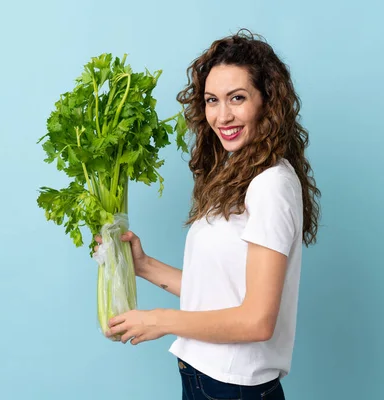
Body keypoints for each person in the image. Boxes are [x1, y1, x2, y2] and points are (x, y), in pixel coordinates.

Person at [94, 29, 321, 400]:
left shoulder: (271, 184)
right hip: (205, 381)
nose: (222, 115)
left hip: (233, 389)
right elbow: (222, 293)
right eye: (212, 100)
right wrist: (144, 265)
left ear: (268, 102)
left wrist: (159, 320)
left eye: (237, 98)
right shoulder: (238, 176)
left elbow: (257, 320)